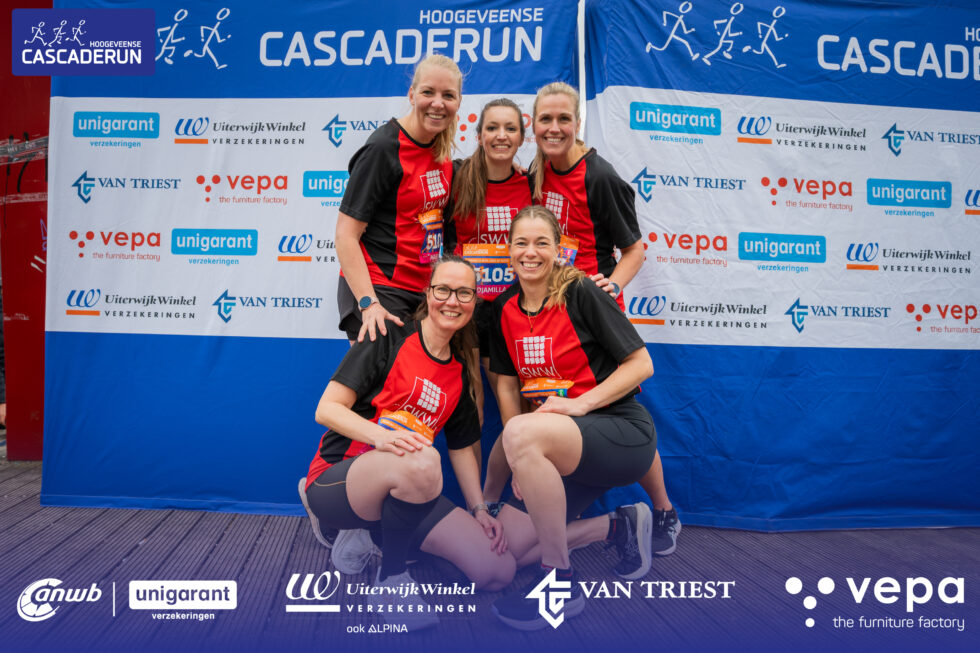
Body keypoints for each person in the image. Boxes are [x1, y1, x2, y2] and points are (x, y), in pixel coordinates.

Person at [484, 82, 681, 557]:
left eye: (563, 119)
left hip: (584, 300)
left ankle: (663, 509)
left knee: (615, 399)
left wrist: (611, 284)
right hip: (541, 296)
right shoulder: (536, 172)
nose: (554, 128)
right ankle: (575, 510)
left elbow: (634, 249)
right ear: (533, 127)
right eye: (545, 120)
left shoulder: (600, 176)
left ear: (577, 123)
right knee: (544, 401)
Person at [298, 257, 516, 630]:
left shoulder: (459, 372)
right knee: (423, 458)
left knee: (497, 570)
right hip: (339, 480)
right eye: (443, 289)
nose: (452, 301)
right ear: (428, 294)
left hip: (409, 484)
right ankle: (391, 581)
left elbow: (462, 447)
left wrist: (479, 508)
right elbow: (327, 409)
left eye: (464, 293)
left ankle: (375, 533)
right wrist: (384, 437)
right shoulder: (388, 335)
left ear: (474, 302)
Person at [487, 206, 661, 629]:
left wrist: (581, 404)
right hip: (560, 450)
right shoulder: (503, 307)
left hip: (620, 432)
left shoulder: (581, 290)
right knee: (505, 556)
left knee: (522, 432)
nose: (530, 252)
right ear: (508, 249)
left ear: (559, 249)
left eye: (541, 243)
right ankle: (616, 526)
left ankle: (559, 581)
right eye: (521, 243)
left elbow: (641, 364)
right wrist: (519, 456)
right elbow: (507, 387)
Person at [335, 54, 462, 344]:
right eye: (428, 92)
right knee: (380, 375)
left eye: (448, 95)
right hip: (379, 291)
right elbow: (345, 236)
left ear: (458, 102)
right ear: (412, 94)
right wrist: (369, 304)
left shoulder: (440, 150)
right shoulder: (383, 148)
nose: (438, 103)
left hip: (422, 294)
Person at [445, 98, 533, 428]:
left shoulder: (531, 183)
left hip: (514, 307)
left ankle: (525, 459)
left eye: (510, 128)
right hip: (468, 305)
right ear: (479, 134)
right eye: (492, 128)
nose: (501, 135)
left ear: (522, 137)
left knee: (522, 401)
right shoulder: (457, 177)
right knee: (474, 399)